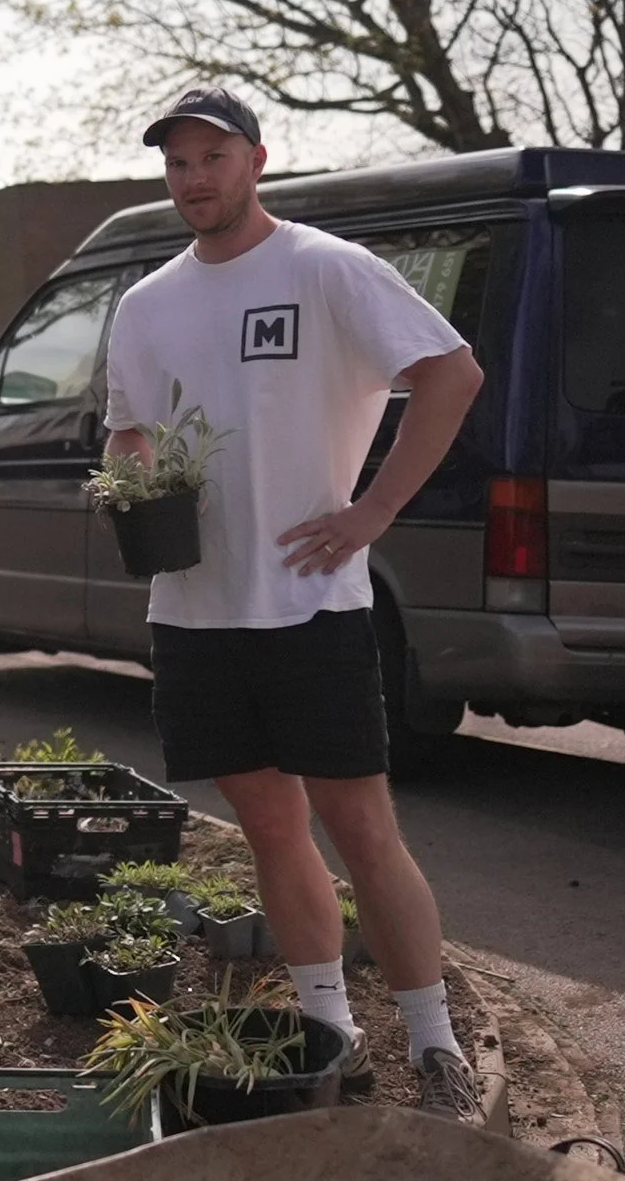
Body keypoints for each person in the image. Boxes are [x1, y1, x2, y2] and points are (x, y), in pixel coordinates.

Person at [105, 86, 488, 1120]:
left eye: (210, 158)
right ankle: (332, 1030)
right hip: (195, 612)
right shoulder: (144, 306)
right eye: (176, 163)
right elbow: (127, 437)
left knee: (361, 826)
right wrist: (131, 491)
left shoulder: (325, 270)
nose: (192, 179)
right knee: (269, 827)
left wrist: (372, 512)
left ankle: (434, 1043)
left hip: (312, 605)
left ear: (256, 161)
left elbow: (451, 374)